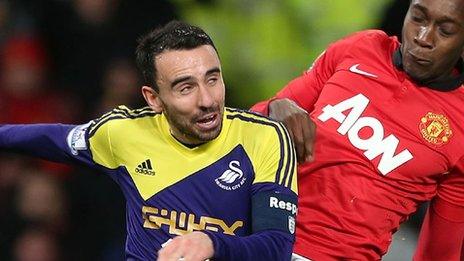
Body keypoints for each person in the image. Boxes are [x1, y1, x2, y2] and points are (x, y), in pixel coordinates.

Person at [0, 21, 298, 260]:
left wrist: (211, 243)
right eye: (186, 88)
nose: (207, 100)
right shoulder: (123, 134)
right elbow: (52, 138)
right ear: (153, 98)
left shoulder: (264, 137)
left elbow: (276, 247)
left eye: (213, 79)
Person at [251, 0, 464, 260]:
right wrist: (275, 108)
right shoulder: (362, 47)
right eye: (418, 18)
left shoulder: (460, 124)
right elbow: (248, 129)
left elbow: (440, 252)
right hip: (258, 234)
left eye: (445, 31)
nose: (422, 38)